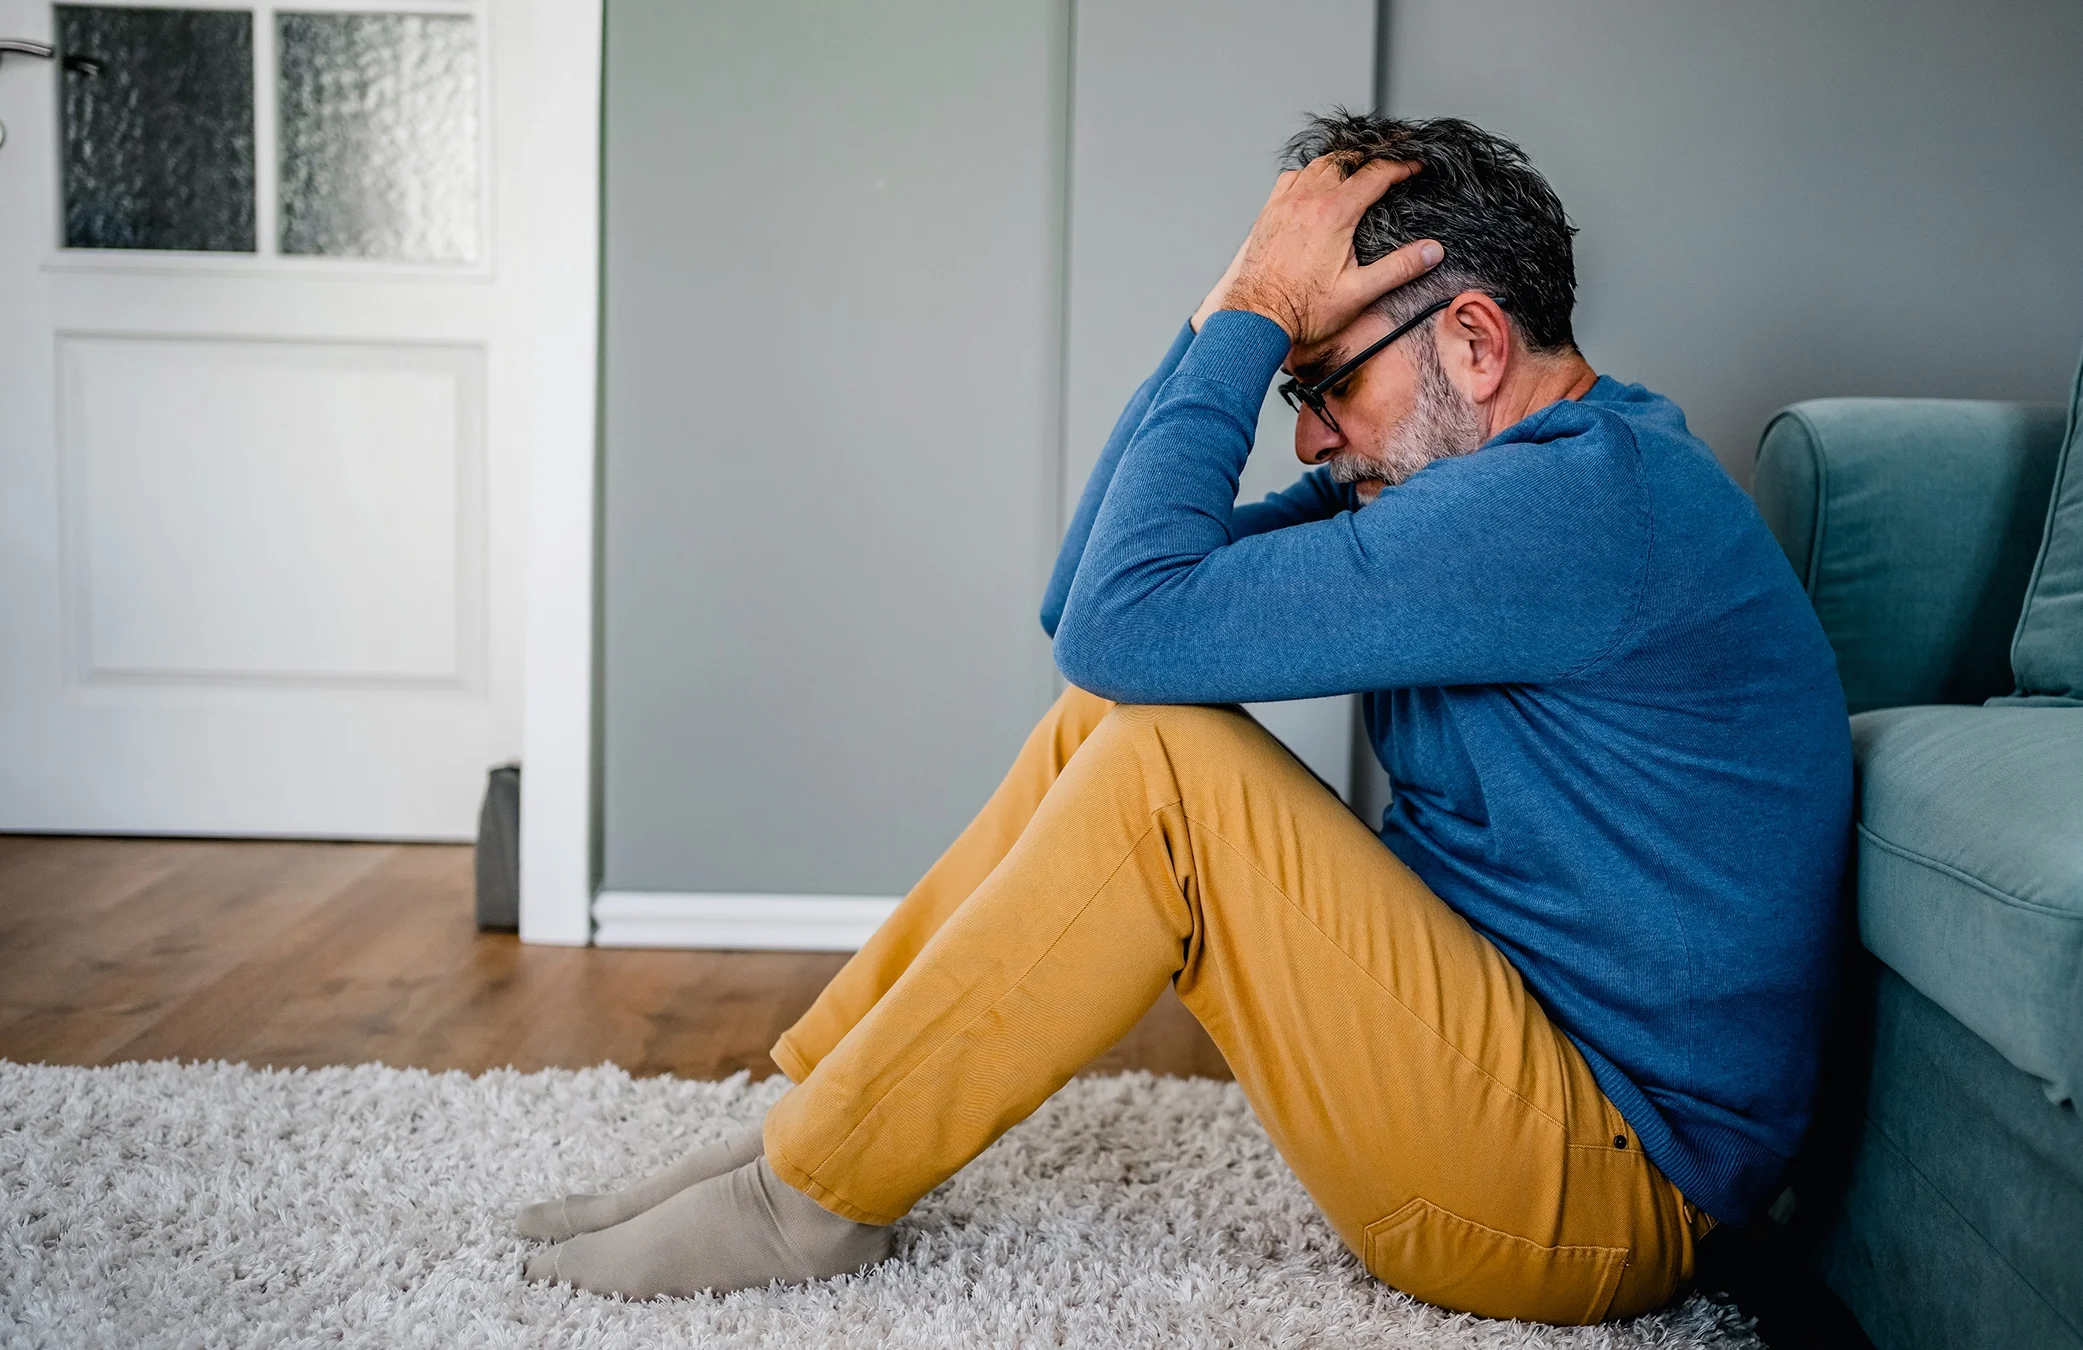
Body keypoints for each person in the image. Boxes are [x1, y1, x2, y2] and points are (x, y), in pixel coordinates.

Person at [519, 111, 1852, 1325]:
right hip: (1523, 1090)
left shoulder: (1577, 506)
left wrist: (1266, 306)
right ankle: (807, 1134)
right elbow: (1088, 609)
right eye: (1294, 389)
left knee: (1168, 760)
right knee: (1118, 717)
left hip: (1600, 1195)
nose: (1309, 436)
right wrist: (1231, 311)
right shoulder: (1468, 489)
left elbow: (1120, 619)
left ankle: (802, 1198)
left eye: (1325, 384)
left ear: (1476, 341)